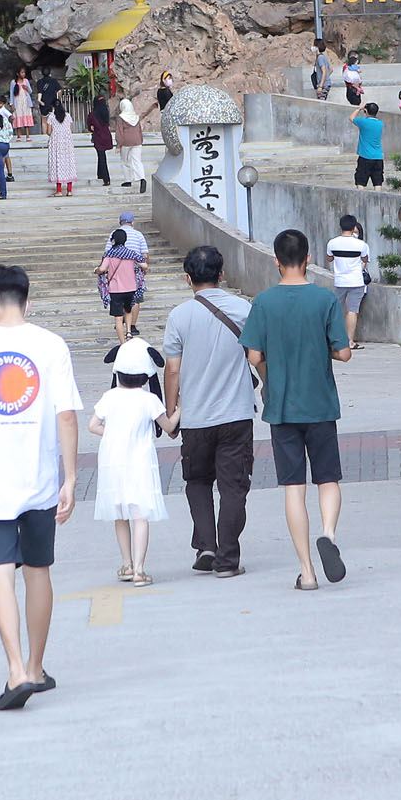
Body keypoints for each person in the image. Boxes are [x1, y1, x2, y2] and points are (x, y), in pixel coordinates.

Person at [0, 264, 82, 710]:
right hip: (40, 479)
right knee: (39, 569)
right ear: (26, 299)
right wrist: (71, 476)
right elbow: (66, 414)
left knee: (0, 570)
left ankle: (15, 670)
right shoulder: (50, 345)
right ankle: (38, 668)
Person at [242, 228, 353, 591]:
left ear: (276, 261)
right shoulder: (325, 301)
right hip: (320, 403)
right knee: (328, 479)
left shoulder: (263, 303)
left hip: (282, 408)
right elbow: (344, 352)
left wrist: (268, 377)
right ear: (308, 259)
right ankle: (330, 534)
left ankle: (307, 572)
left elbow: (254, 354)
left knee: (293, 487)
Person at [163, 245, 258, 578]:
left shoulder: (179, 316)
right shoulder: (243, 309)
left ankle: (206, 546)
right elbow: (257, 355)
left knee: (198, 481)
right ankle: (227, 561)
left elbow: (172, 371)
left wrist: (170, 411)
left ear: (188, 278)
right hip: (236, 414)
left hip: (196, 418)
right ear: (222, 274)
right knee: (234, 487)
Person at [92, 337, 179, 585]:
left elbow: (93, 425)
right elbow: (169, 426)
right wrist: (180, 407)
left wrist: (113, 433)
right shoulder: (149, 400)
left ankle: (127, 565)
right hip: (140, 461)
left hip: (113, 462)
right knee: (140, 515)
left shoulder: (110, 397)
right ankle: (141, 570)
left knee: (120, 514)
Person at [327, 214, 371, 349]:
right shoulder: (361, 245)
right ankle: (349, 341)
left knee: (337, 311)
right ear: (353, 227)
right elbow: (365, 259)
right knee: (352, 310)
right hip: (356, 281)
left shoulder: (332, 243)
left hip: (340, 281)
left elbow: (329, 258)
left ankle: (334, 339)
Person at [97, 228, 144, 345]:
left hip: (116, 289)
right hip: (131, 288)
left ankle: (123, 343)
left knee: (118, 317)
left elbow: (102, 269)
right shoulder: (130, 253)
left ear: (113, 240)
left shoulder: (109, 254)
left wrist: (96, 270)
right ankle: (129, 332)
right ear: (125, 240)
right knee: (128, 311)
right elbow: (144, 264)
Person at [114, 96, 147, 190]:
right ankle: (142, 178)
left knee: (125, 161)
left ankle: (128, 180)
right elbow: (139, 130)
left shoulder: (121, 118)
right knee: (137, 161)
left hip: (126, 142)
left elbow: (119, 131)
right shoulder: (135, 117)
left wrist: (118, 144)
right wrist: (140, 140)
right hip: (137, 141)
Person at [352, 101, 386, 187]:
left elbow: (351, 118)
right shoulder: (380, 124)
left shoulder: (363, 122)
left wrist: (359, 108)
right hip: (378, 156)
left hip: (365, 156)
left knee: (361, 181)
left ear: (366, 111)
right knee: (378, 182)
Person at [87, 93, 114, 186]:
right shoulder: (106, 112)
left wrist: (92, 127)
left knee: (101, 157)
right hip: (106, 135)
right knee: (101, 155)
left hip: (98, 137)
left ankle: (106, 178)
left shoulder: (93, 114)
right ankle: (100, 174)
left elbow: (89, 126)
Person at [12, 72, 36, 140]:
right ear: (18, 73)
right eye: (22, 72)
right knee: (18, 116)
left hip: (25, 102)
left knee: (26, 117)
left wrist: (27, 88)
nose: (23, 74)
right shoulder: (13, 82)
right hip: (17, 102)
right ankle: (19, 136)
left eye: (24, 72)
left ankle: (27, 135)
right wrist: (12, 104)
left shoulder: (26, 81)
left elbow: (30, 91)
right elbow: (12, 94)